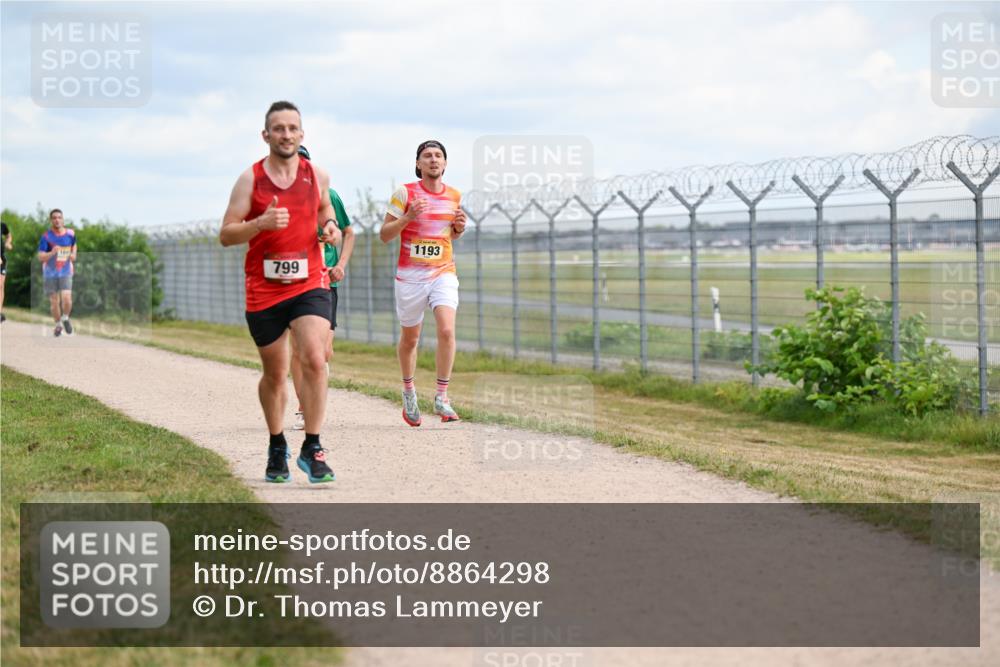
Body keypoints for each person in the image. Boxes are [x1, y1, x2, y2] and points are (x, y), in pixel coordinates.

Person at [219, 101, 342, 484]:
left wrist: (331, 228)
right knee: (275, 374)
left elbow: (325, 212)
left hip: (310, 282)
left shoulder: (316, 175)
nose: (286, 134)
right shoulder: (250, 180)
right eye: (279, 129)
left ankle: (313, 446)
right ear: (266, 135)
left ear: (301, 134)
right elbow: (226, 234)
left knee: (315, 358)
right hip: (264, 288)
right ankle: (276, 444)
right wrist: (260, 223)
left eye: (293, 128)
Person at [381, 140, 466, 426]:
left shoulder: (454, 194)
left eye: (438, 156)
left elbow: (448, 236)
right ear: (418, 164)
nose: (433, 160)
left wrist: (458, 229)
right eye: (427, 156)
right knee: (411, 339)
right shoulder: (405, 193)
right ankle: (408, 391)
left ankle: (442, 396)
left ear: (445, 163)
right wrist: (408, 217)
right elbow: (385, 234)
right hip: (410, 277)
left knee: (446, 330)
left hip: (443, 271)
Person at [290, 145, 356, 430]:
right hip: (293, 282)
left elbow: (348, 232)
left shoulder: (329, 198)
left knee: (323, 351)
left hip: (325, 281)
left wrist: (341, 262)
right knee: (298, 349)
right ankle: (305, 407)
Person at [36, 209, 76, 337]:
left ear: (63, 219)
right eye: (54, 218)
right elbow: (40, 257)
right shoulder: (46, 236)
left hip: (65, 270)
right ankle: (58, 324)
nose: (57, 220)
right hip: (50, 272)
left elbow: (74, 245)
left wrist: (73, 254)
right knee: (54, 302)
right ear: (51, 220)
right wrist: (52, 252)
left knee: (67, 298)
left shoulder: (70, 234)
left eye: (59, 217)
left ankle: (65, 318)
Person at [1, 221, 11, 322]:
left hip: (1, 259)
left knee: (0, 285)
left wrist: (7, 243)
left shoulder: (2, 225)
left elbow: (8, 236)